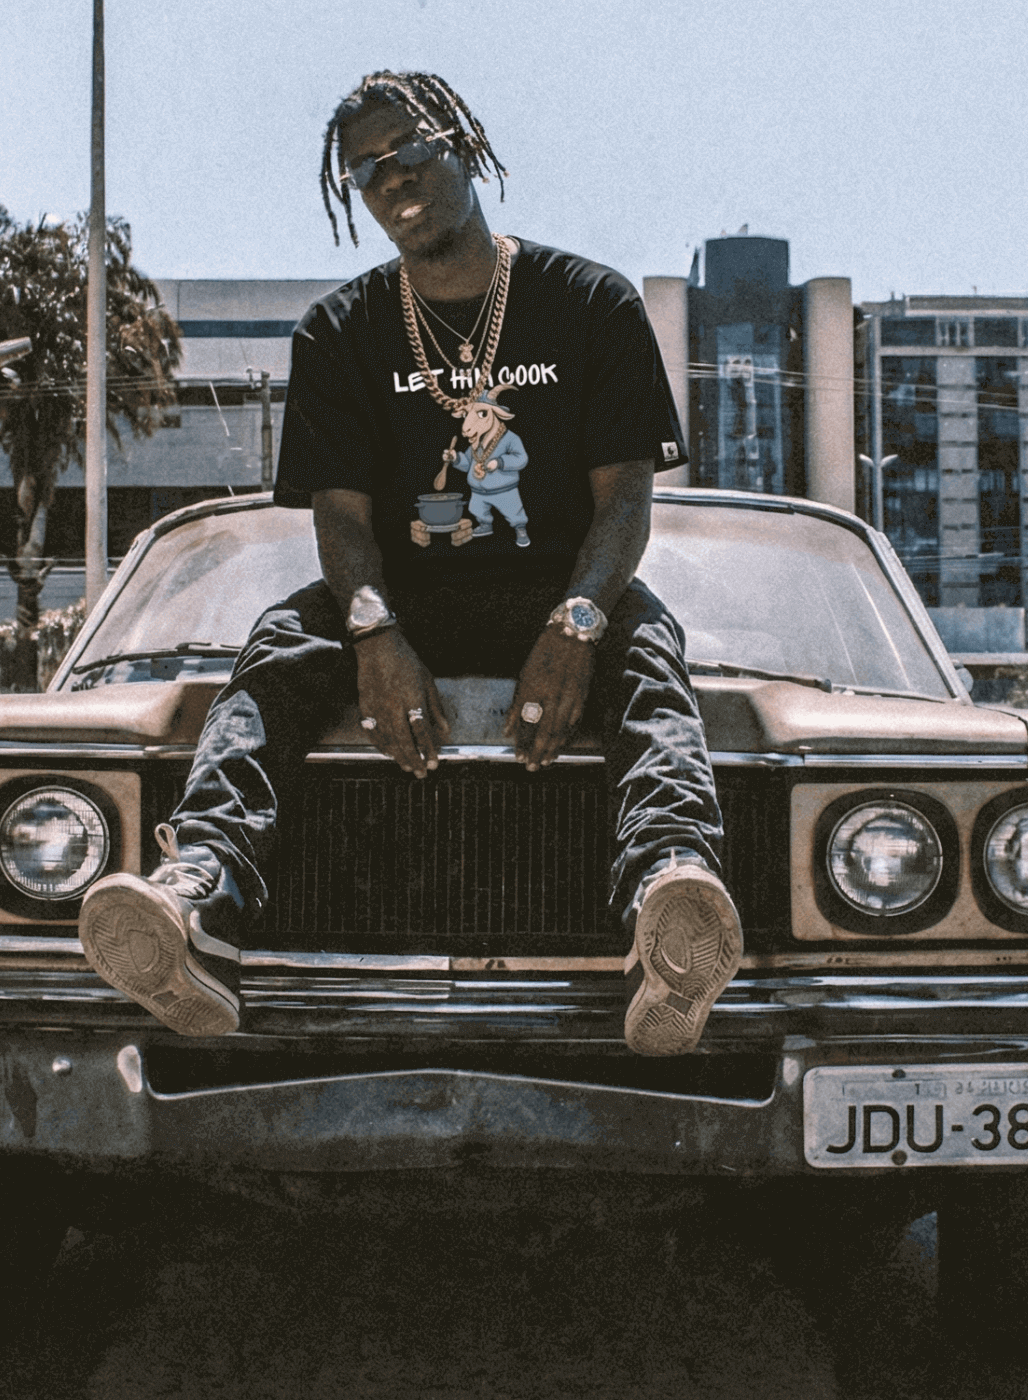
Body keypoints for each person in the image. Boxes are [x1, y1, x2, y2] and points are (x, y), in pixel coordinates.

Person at [77, 70, 739, 1056]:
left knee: (647, 651)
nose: (389, 179)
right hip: (407, 596)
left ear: (464, 144)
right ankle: (197, 903)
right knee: (279, 644)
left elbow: (624, 501)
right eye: (363, 171)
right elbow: (341, 524)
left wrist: (574, 626)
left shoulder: (588, 303)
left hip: (558, 589)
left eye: (407, 150)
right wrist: (374, 632)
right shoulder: (339, 332)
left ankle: (669, 918)